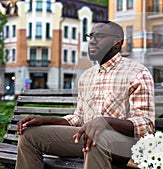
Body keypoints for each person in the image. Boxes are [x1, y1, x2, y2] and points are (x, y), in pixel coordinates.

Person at [16, 21, 155, 169]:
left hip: (128, 145)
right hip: (89, 138)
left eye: (99, 36)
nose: (92, 41)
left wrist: (105, 122)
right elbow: (79, 118)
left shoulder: (137, 73)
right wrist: (46, 120)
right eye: (91, 36)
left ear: (117, 42)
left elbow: (146, 125)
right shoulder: (87, 76)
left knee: (97, 137)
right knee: (29, 135)